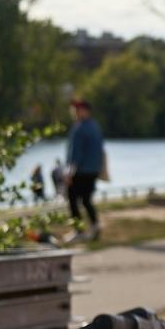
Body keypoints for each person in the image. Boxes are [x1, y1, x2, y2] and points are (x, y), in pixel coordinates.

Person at [63, 95, 106, 239]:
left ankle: (79, 231)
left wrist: (69, 173)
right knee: (87, 200)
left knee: (72, 199)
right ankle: (95, 227)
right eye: (74, 109)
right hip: (92, 171)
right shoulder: (95, 126)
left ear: (86, 111)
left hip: (80, 171)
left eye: (78, 110)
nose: (75, 112)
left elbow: (75, 154)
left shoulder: (80, 128)